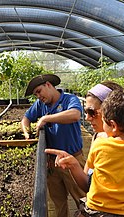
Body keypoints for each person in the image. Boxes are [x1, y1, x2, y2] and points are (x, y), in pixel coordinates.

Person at [46, 88, 124, 216]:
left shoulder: (100, 145)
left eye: (95, 113)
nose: (87, 118)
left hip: (94, 210)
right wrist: (74, 165)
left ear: (113, 125)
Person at [21, 74, 86, 217]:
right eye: (35, 94)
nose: (38, 96)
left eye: (39, 91)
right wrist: (27, 132)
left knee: (83, 200)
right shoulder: (41, 104)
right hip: (52, 164)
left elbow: (75, 115)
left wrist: (46, 118)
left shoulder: (69, 99)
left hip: (72, 160)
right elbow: (26, 118)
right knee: (58, 202)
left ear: (48, 85)